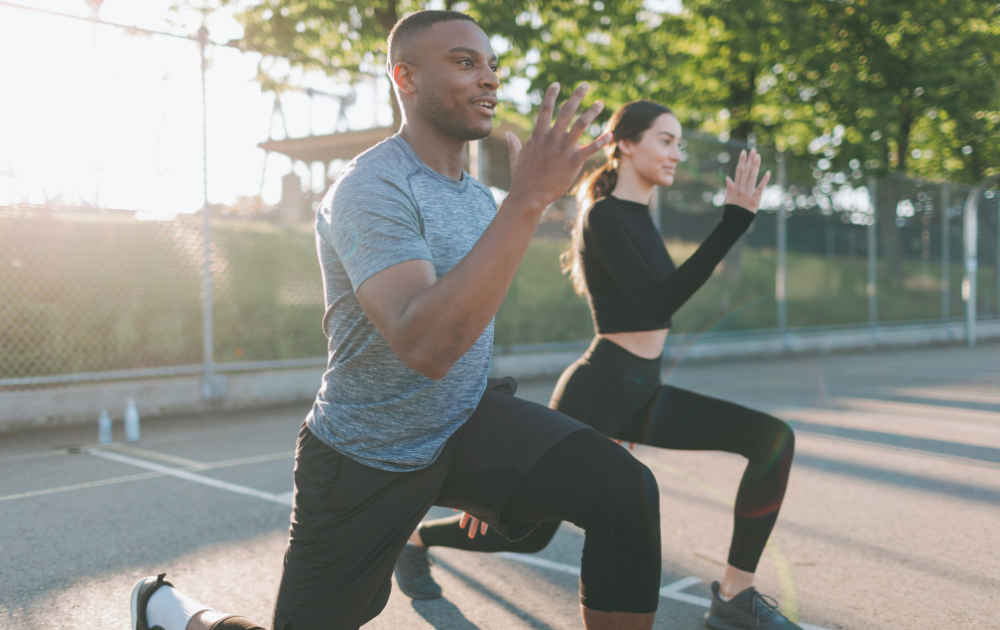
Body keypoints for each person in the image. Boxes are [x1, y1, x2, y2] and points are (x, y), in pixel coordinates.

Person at [129, 11, 667, 630]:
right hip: (368, 453)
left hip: (464, 424)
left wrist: (499, 464)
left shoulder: (474, 198)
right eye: (466, 63)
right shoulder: (369, 187)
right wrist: (528, 199)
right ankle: (173, 613)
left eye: (492, 65)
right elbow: (426, 343)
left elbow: (469, 327)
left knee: (626, 491)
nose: (489, 78)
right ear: (404, 77)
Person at [397, 101, 801, 630]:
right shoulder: (604, 215)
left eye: (680, 142)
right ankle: (414, 538)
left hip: (644, 389)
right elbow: (657, 304)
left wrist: (733, 224)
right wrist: (732, 225)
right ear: (626, 144)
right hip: (602, 387)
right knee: (528, 528)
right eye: (666, 140)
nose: (676, 152)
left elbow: (658, 304)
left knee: (772, 439)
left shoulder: (640, 216)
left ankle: (733, 593)